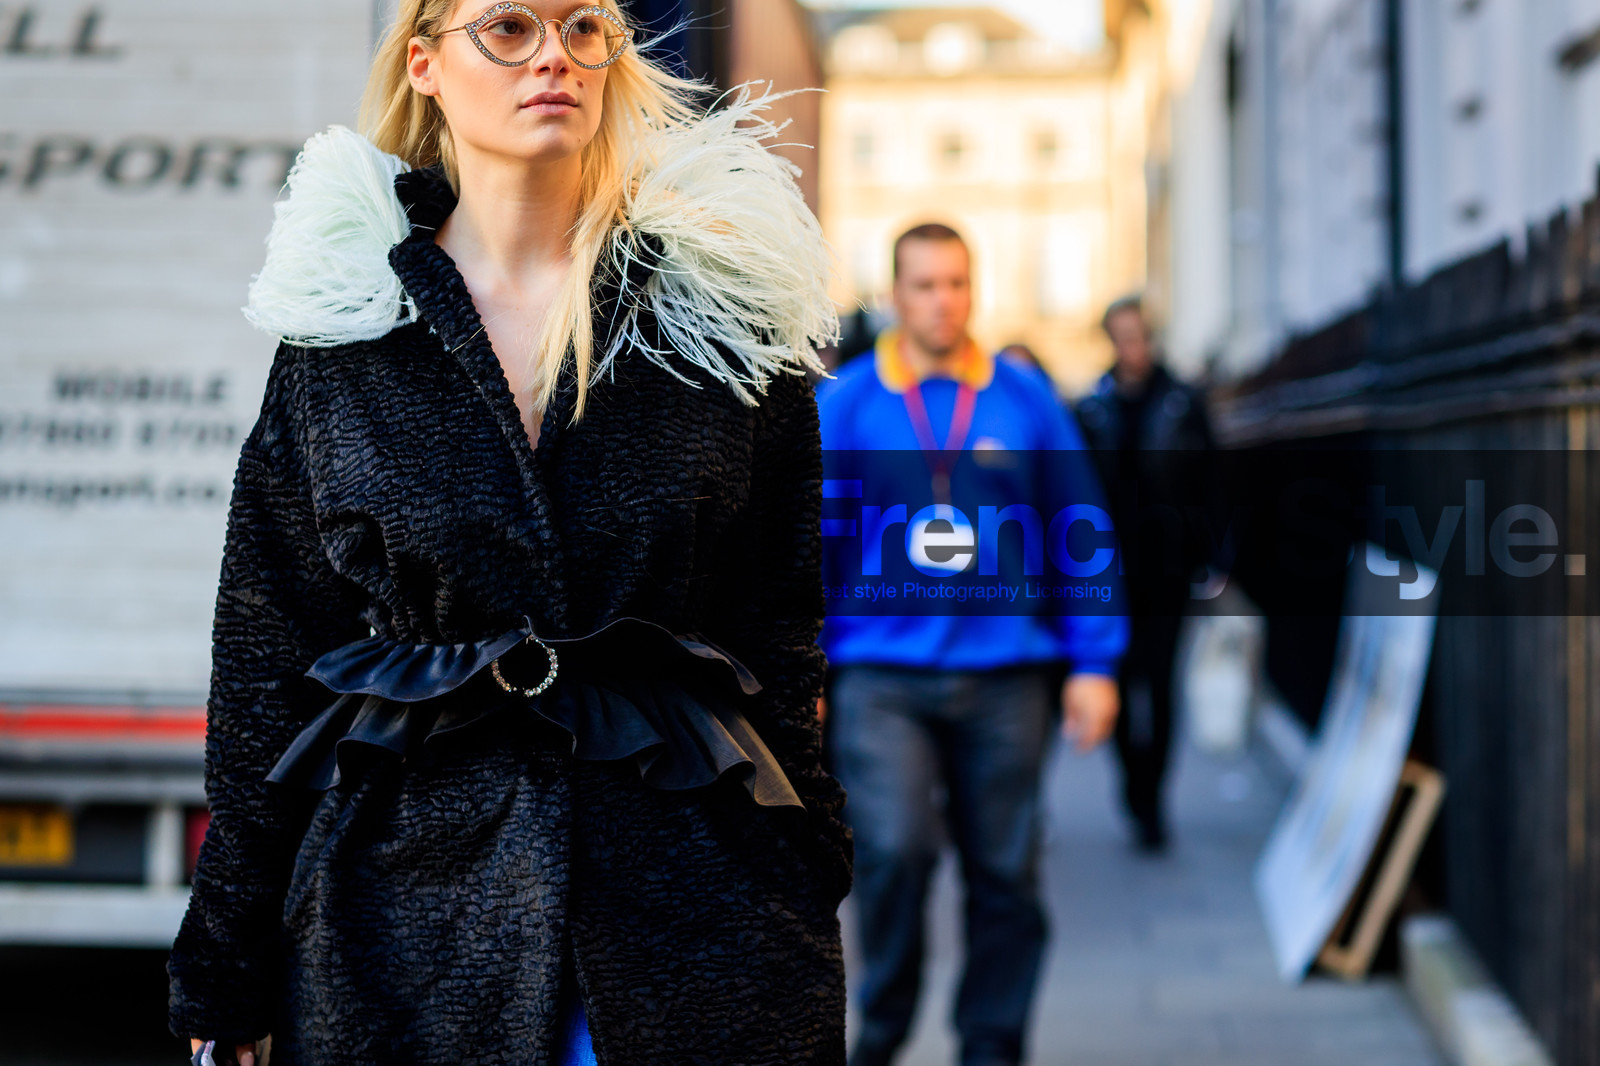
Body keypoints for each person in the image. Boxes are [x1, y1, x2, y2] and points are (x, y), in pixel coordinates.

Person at [165, 3, 852, 1064]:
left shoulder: (720, 317)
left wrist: (809, 858)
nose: (553, 58)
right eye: (510, 28)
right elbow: (267, 663)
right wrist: (225, 956)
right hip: (403, 909)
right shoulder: (346, 330)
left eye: (583, 27)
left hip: (696, 904)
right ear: (425, 63)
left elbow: (779, 628)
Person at [816, 223, 1128, 1066]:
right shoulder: (848, 403)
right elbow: (805, 546)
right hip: (880, 673)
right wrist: (802, 671)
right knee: (893, 852)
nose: (941, 302)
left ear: (972, 290)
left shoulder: (1025, 400)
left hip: (1006, 676)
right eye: (924, 286)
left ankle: (991, 1044)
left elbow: (1080, 526)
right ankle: (881, 1025)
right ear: (895, 293)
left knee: (1006, 872)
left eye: (955, 284)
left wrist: (1094, 663)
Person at [1074, 294, 1219, 852]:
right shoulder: (1093, 407)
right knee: (1115, 680)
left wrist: (1212, 557)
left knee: (1159, 684)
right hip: (1108, 571)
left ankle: (1154, 796)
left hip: (1168, 568)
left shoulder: (1182, 401)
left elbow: (1212, 483)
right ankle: (1132, 782)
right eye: (1122, 336)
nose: (1132, 346)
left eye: (1138, 334)